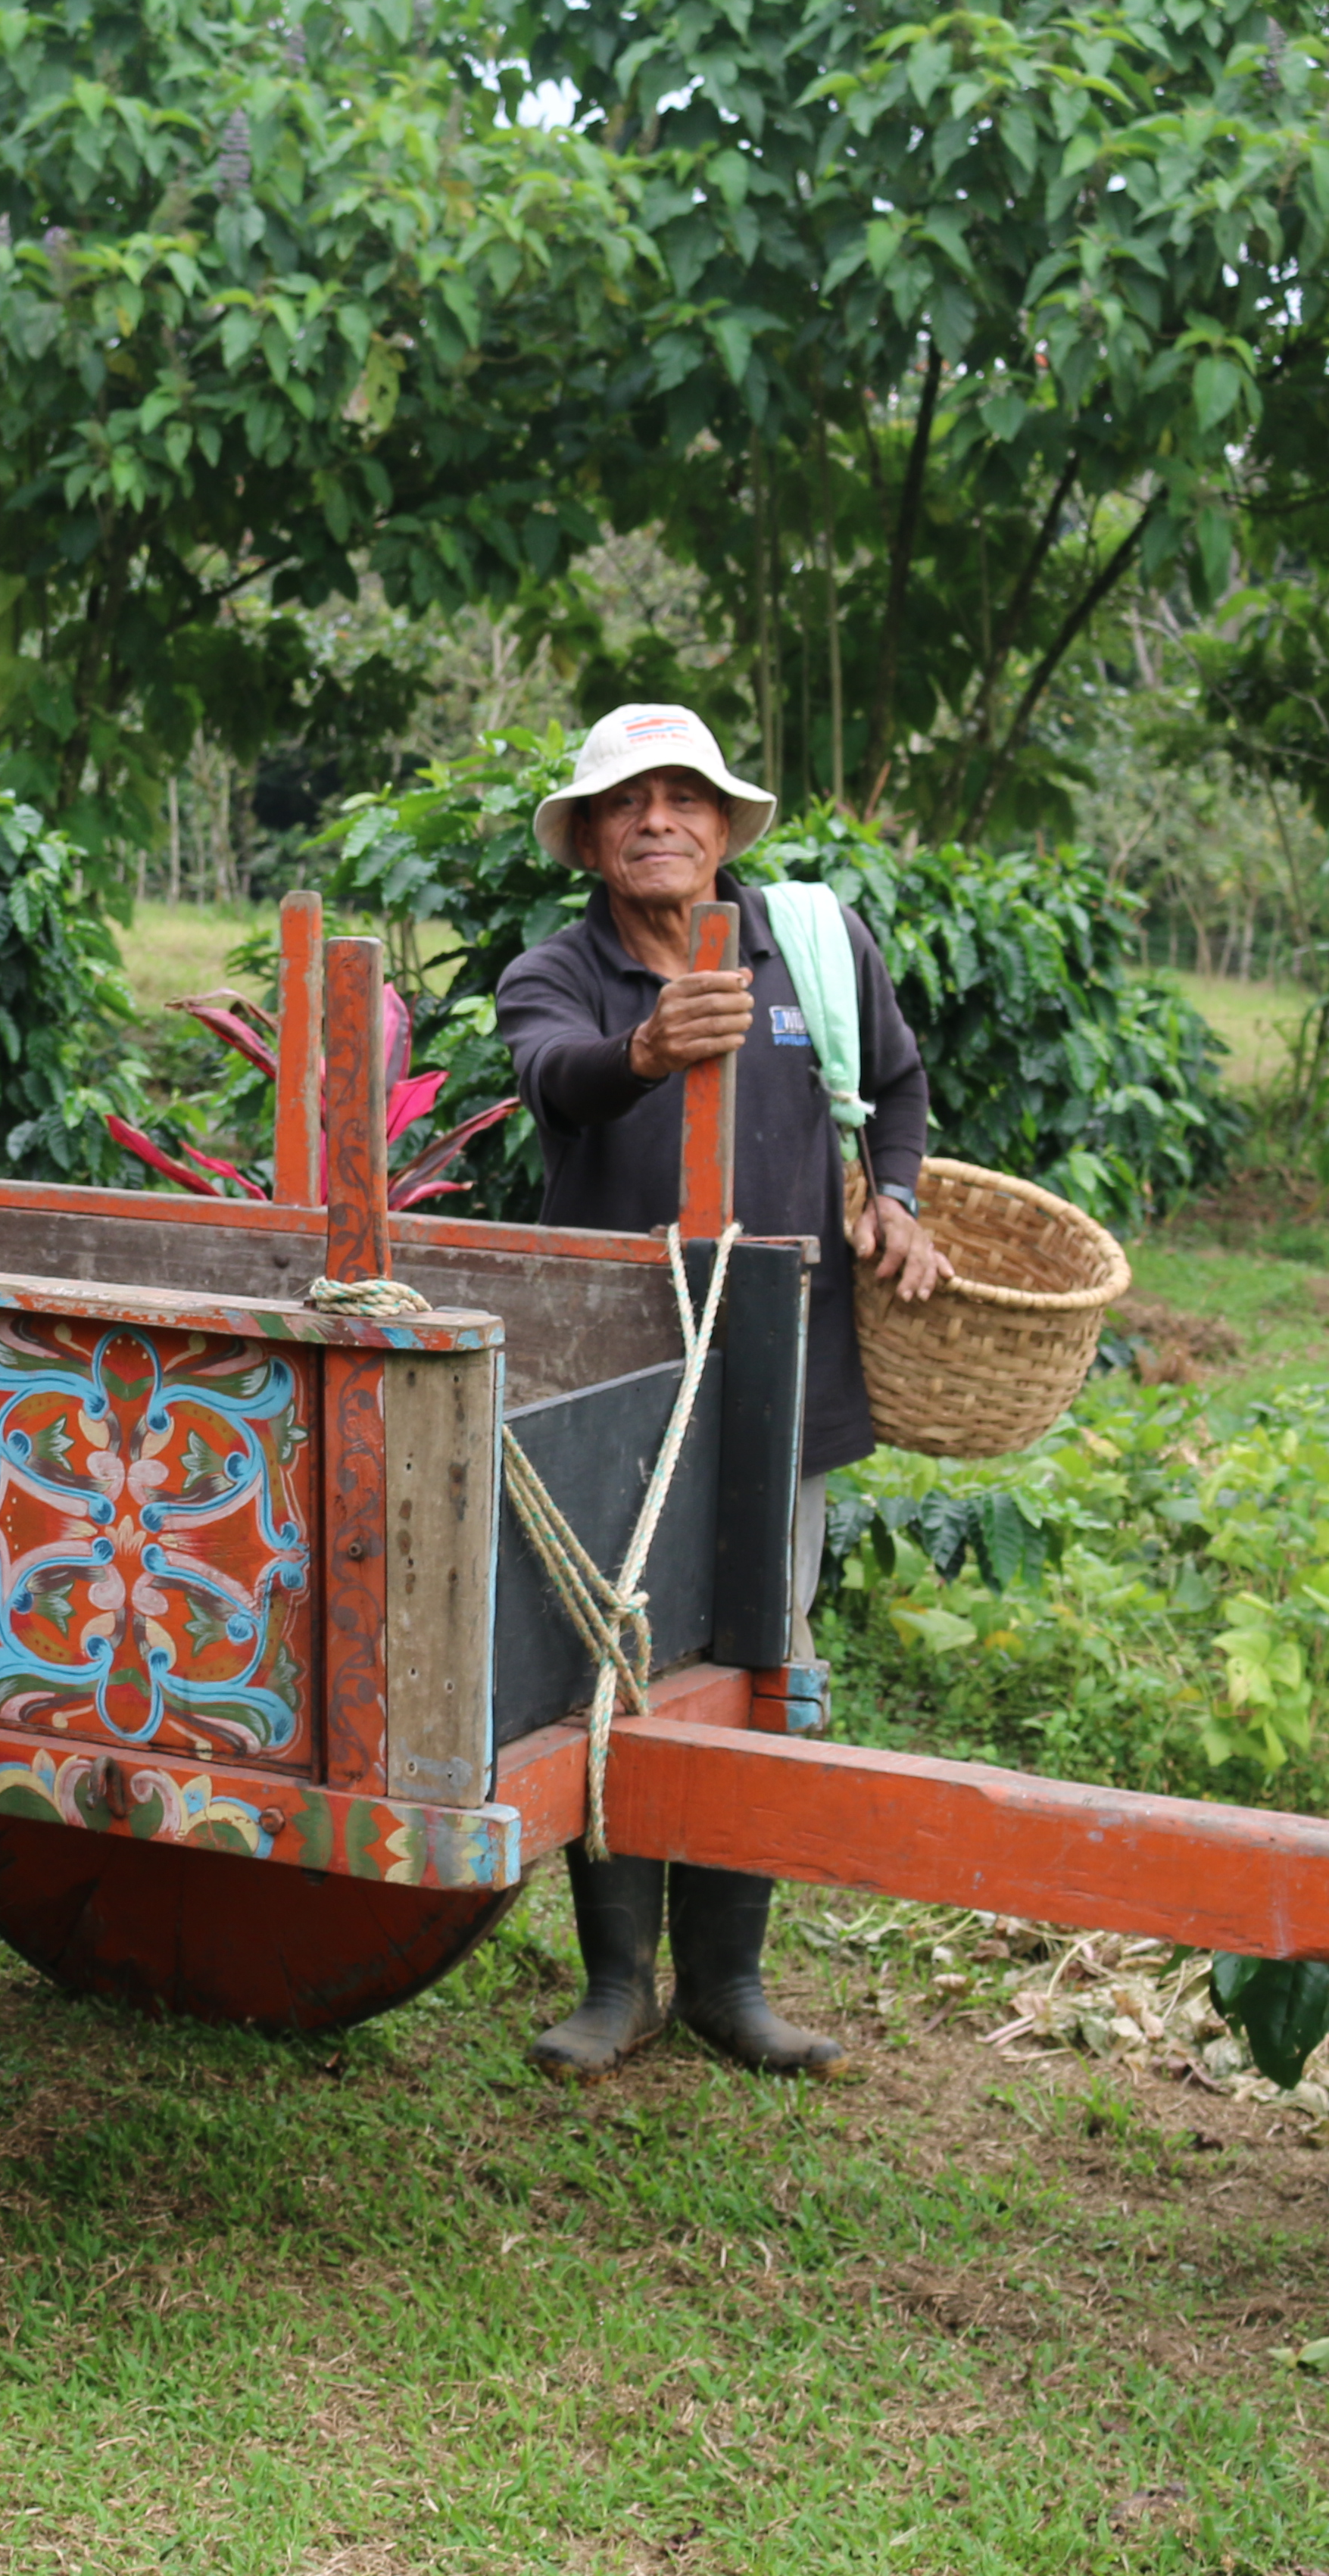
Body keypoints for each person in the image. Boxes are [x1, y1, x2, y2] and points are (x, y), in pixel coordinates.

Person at [491, 703, 945, 2082]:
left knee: (763, 1655)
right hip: (615, 1377)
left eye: (687, 797)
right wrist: (640, 1056)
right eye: (628, 802)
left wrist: (903, 1200)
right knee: (611, 1666)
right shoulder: (553, 972)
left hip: (778, 1372)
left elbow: (903, 1084)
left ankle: (729, 1984)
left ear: (724, 824)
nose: (659, 821)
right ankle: (619, 1983)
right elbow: (551, 1080)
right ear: (587, 837)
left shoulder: (813, 943)